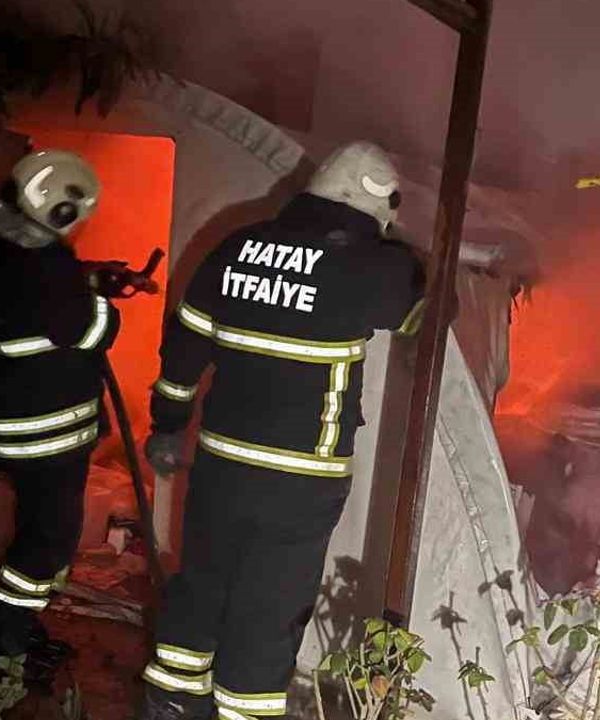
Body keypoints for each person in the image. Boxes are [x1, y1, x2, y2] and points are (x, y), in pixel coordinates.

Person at [138, 141, 426, 719]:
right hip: (301, 478)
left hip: (221, 464)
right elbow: (418, 307)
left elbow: (184, 350)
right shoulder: (371, 267)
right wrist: (390, 247)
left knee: (202, 583)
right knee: (268, 609)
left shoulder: (236, 246)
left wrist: (168, 425)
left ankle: (170, 701)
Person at [0, 149, 119, 662]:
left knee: (36, 529)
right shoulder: (48, 264)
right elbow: (91, 331)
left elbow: (38, 308)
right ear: (61, 211)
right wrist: (103, 300)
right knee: (49, 541)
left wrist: (84, 281)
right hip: (46, 433)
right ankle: (4, 634)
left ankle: (14, 624)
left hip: (12, 421)